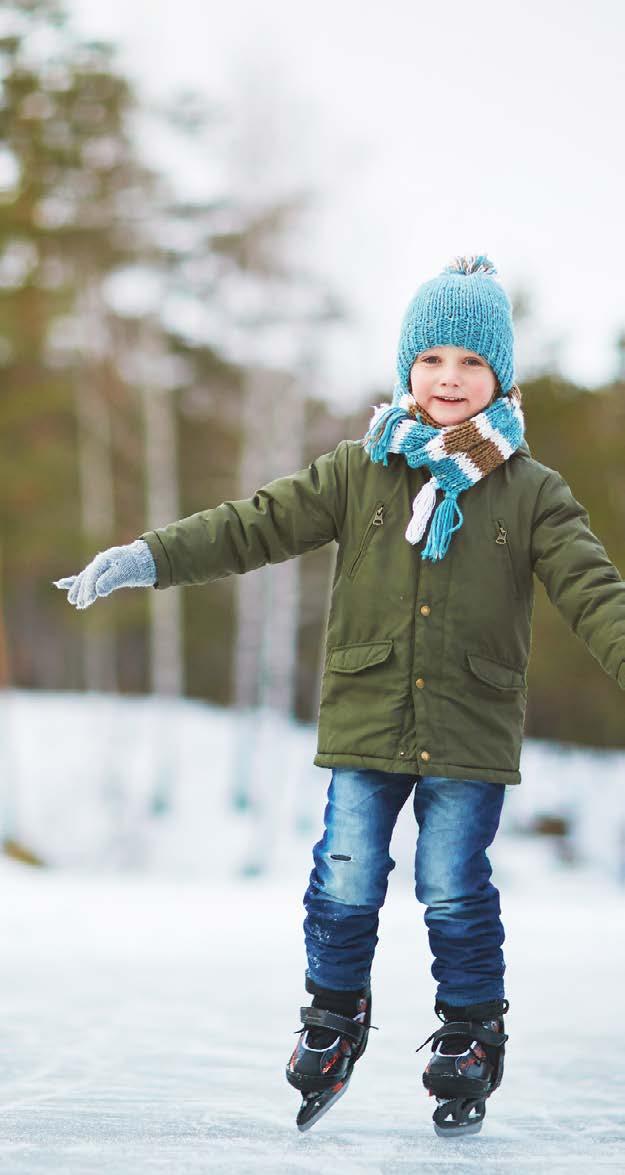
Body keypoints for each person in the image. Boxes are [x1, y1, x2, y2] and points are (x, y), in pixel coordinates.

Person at [54, 255, 625, 1135]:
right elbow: (252, 523)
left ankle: (472, 1031)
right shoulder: (357, 471)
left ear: (498, 377)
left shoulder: (532, 493)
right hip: (366, 718)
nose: (448, 378)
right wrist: (147, 556)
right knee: (346, 873)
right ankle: (333, 1014)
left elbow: (593, 591)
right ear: (406, 370)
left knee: (451, 884)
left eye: (470, 362)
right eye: (431, 359)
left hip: (468, 725)